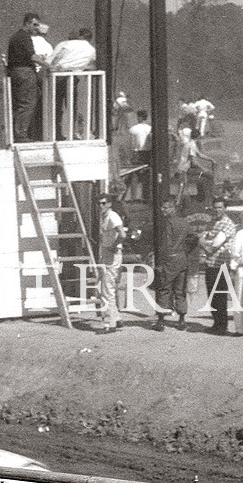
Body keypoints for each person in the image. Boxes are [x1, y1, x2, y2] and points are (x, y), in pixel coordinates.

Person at [153, 199, 195, 330]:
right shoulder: (184, 222)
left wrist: (159, 262)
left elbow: (165, 244)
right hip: (182, 259)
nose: (162, 210)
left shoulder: (166, 223)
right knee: (180, 290)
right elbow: (194, 238)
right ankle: (181, 320)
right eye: (162, 207)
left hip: (169, 260)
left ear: (173, 209)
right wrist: (185, 251)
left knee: (164, 289)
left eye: (165, 208)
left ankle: (161, 320)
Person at [199, 203, 238, 335]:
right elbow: (204, 237)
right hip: (210, 263)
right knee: (212, 295)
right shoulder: (212, 222)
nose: (217, 210)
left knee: (220, 295)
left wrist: (204, 243)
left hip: (221, 264)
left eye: (220, 207)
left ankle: (222, 325)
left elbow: (215, 243)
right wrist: (205, 242)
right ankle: (216, 323)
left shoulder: (227, 224)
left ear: (225, 209)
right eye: (215, 207)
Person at [5, 12, 42, 142]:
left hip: (15, 72)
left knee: (20, 103)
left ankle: (17, 133)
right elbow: (32, 56)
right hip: (25, 73)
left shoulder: (15, 37)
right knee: (27, 103)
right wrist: (48, 64)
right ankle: (20, 134)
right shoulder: (24, 38)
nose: (36, 27)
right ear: (27, 23)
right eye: (34, 24)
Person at [95, 193, 126, 333]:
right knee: (107, 287)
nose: (100, 206)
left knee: (107, 290)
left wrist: (114, 245)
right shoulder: (104, 217)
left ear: (109, 204)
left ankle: (109, 323)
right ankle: (117, 318)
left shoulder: (113, 216)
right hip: (106, 253)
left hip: (112, 255)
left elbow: (122, 234)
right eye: (99, 203)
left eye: (103, 203)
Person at [175, 126, 216, 208]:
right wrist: (204, 169)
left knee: (203, 176)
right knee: (209, 175)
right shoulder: (192, 145)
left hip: (183, 169)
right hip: (186, 171)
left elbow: (199, 154)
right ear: (198, 136)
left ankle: (202, 197)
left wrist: (211, 160)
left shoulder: (189, 143)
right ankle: (210, 200)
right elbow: (194, 162)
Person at [126, 110, 153, 200]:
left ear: (140, 117)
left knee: (135, 175)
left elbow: (131, 143)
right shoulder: (149, 128)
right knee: (147, 174)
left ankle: (134, 197)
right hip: (148, 152)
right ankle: (146, 196)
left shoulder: (133, 129)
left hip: (137, 152)